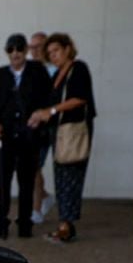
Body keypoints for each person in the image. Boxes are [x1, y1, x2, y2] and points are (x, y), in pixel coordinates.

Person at [0, 32, 53, 240]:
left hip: (29, 138)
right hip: (5, 139)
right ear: (6, 52)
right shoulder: (0, 74)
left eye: (20, 48)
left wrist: (40, 117)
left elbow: (49, 99)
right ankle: (0, 224)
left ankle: (25, 225)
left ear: (26, 51)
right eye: (11, 49)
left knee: (27, 183)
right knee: (1, 183)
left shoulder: (37, 71)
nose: (16, 53)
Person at [33, 33, 96, 244]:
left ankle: (67, 225)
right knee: (61, 177)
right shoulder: (58, 73)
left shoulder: (78, 68)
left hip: (73, 131)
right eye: (50, 53)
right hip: (59, 132)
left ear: (68, 48)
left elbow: (79, 98)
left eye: (56, 50)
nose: (54, 56)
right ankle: (64, 223)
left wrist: (50, 111)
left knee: (71, 176)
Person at [27, 32, 54, 224]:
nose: (34, 51)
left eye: (39, 46)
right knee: (33, 168)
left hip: (48, 128)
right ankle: (42, 198)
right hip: (31, 127)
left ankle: (36, 209)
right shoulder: (28, 70)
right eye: (32, 47)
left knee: (34, 167)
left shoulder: (53, 70)